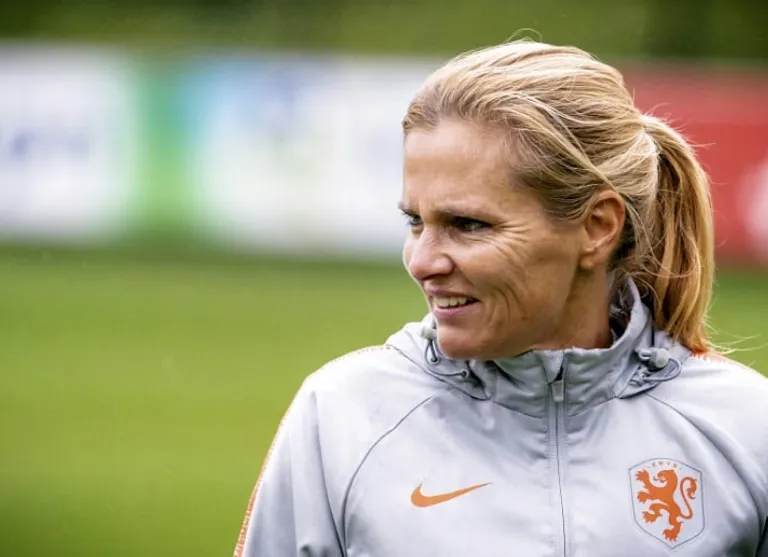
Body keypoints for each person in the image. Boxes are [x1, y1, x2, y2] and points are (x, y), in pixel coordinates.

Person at [234, 40, 768, 557]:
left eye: (468, 224)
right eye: (415, 222)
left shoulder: (746, 428)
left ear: (597, 227)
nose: (422, 262)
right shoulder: (342, 417)